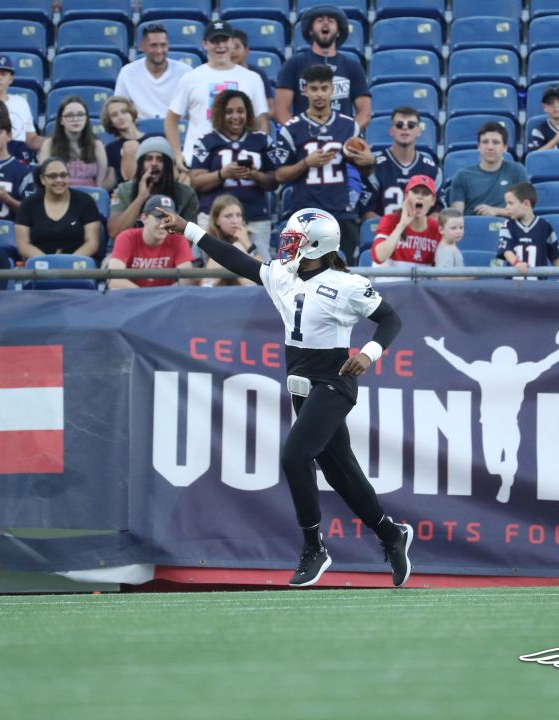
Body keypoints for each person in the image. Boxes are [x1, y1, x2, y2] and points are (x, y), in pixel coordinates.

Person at [154, 205, 413, 588]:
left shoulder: (347, 285)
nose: (286, 245)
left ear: (316, 246)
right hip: (301, 385)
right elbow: (237, 260)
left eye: (294, 240)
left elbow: (390, 319)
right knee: (343, 475)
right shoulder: (283, 277)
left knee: (294, 456)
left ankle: (314, 547)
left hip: (335, 380)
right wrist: (189, 229)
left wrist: (369, 354)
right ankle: (391, 534)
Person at [423, 329, 559, 503]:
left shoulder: (517, 372)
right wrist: (440, 348)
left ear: (513, 361)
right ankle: (504, 475)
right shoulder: (489, 370)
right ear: (494, 360)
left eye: (506, 359)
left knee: (510, 457)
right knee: (491, 466)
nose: (503, 361)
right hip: (490, 425)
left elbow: (547, 363)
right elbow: (461, 365)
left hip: (509, 423)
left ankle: (506, 483)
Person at [271, 64, 373, 263]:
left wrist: (368, 161)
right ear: (305, 90)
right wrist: (306, 163)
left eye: (324, 88)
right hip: (306, 213)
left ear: (332, 90)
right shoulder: (291, 129)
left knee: (343, 271)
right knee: (306, 273)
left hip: (341, 212)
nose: (319, 94)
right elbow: (278, 176)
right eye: (314, 88)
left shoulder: (348, 125)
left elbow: (366, 171)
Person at [165, 21, 270, 168]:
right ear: (205, 44)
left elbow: (261, 120)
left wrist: (260, 153)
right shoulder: (191, 78)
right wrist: (177, 154)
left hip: (241, 161)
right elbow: (171, 118)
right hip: (198, 162)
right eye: (215, 41)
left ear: (232, 42)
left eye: (225, 40)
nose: (220, 45)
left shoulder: (252, 78)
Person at [189, 89, 278, 259]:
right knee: (211, 269)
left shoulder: (262, 140)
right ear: (219, 114)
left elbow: (275, 180)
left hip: (255, 216)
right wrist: (223, 174)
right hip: (213, 218)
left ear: (248, 113)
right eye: (228, 111)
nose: (235, 116)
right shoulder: (206, 141)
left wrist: (255, 175)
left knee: (260, 269)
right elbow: (196, 181)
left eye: (240, 111)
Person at [273, 4, 371, 129]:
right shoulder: (293, 64)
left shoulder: (353, 67)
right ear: (310, 30)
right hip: (304, 142)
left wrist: (347, 133)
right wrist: (297, 134)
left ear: (338, 32)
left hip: (341, 142)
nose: (325, 23)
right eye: (319, 20)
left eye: (331, 21)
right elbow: (280, 109)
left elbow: (365, 112)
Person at [360, 106, 443, 220]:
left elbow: (438, 211)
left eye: (411, 125)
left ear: (419, 131)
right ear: (391, 130)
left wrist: (418, 232)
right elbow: (366, 211)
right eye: (399, 125)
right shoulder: (375, 166)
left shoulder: (431, 170)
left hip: (419, 235)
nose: (405, 128)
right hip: (383, 234)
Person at [107, 136, 198, 239]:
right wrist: (140, 198)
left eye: (160, 159)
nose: (154, 164)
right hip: (126, 250)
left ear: (168, 165)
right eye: (148, 159)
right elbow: (114, 233)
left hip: (169, 252)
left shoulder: (186, 194)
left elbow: (190, 239)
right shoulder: (124, 190)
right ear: (141, 164)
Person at [15, 159, 103, 259]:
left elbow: (92, 243)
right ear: (42, 179)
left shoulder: (85, 201)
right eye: (52, 176)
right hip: (40, 266)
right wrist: (49, 262)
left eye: (63, 175)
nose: (59, 180)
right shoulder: (28, 204)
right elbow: (23, 245)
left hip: (77, 265)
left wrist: (67, 262)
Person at [106, 195, 195, 289]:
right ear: (144, 218)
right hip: (132, 299)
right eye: (159, 217)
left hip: (165, 300)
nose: (164, 224)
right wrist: (147, 297)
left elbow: (186, 280)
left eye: (169, 219)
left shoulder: (178, 239)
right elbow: (113, 279)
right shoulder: (127, 237)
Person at [447, 122, 529, 217]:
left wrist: (496, 211)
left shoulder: (517, 170)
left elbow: (526, 210)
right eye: (485, 142)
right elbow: (457, 216)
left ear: (505, 148)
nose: (490, 147)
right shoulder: (462, 176)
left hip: (508, 229)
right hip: (474, 229)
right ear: (478, 146)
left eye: (496, 142)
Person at [114, 23, 192, 121]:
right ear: (142, 46)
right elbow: (118, 107)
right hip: (140, 131)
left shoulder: (185, 71)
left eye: (163, 45)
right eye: (153, 45)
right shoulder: (127, 72)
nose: (159, 50)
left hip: (176, 130)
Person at [371, 175, 440, 282]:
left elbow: (444, 268)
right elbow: (379, 257)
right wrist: (402, 225)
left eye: (426, 194)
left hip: (420, 294)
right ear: (406, 196)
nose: (420, 197)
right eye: (415, 192)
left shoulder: (436, 228)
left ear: (433, 201)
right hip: (387, 291)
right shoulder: (391, 220)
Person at [498, 182, 559, 282]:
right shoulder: (508, 225)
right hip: (513, 287)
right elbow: (506, 251)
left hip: (539, 288)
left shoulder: (545, 226)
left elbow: (554, 255)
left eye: (510, 203)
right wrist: (517, 263)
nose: (506, 207)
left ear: (526, 204)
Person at [38, 96, 110, 188]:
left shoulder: (97, 145)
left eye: (80, 114)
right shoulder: (49, 144)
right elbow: (45, 179)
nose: (75, 119)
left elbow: (100, 185)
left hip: (88, 198)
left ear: (86, 119)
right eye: (70, 115)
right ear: (61, 120)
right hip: (58, 196)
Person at [200, 194, 260, 287]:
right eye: (228, 216)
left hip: (246, 291)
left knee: (237, 247)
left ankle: (251, 288)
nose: (235, 221)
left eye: (238, 215)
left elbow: (265, 269)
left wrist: (247, 243)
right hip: (217, 290)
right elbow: (195, 274)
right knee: (223, 251)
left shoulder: (252, 236)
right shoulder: (205, 239)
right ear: (216, 220)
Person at [101, 96, 149, 186]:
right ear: (110, 122)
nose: (120, 117)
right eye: (114, 115)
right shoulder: (111, 148)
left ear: (132, 113)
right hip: (128, 191)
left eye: (124, 112)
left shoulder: (154, 138)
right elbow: (112, 180)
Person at [230, 28, 274, 98]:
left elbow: (269, 105)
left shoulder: (258, 74)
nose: (232, 52)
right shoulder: (218, 74)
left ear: (246, 51)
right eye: (229, 48)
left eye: (236, 47)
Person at [434, 208, 467, 275]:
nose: (458, 231)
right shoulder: (445, 251)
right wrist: (470, 276)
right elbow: (443, 278)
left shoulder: (451, 246)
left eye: (461, 227)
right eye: (453, 228)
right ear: (441, 230)